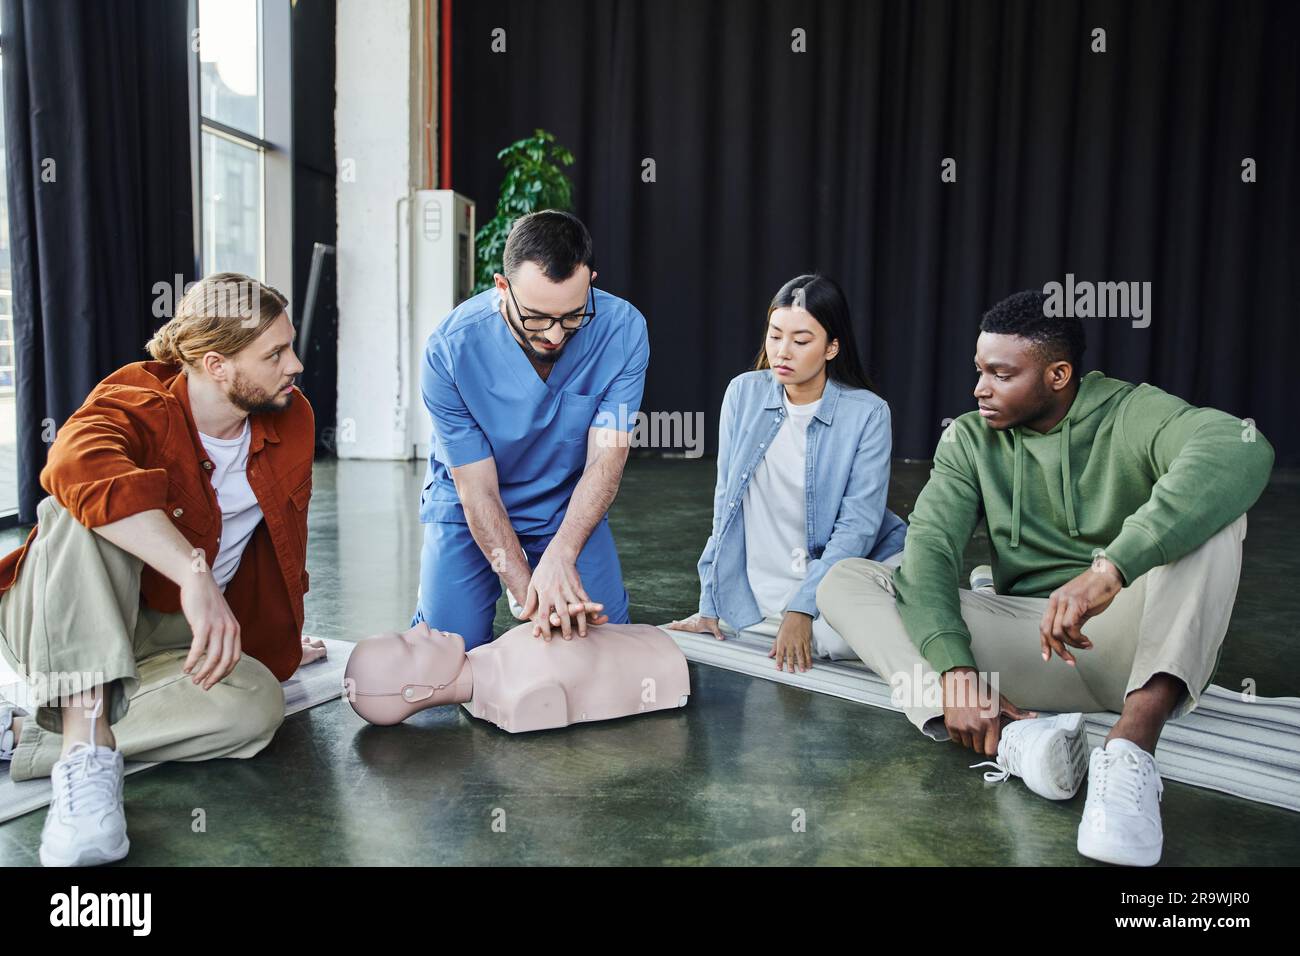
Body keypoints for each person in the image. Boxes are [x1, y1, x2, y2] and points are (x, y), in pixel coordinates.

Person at [817, 289, 1274, 866]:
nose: (979, 388)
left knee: (1217, 516)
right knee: (847, 581)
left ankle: (1130, 752)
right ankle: (1013, 736)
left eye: (1001, 374)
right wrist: (957, 672)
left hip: (1134, 645)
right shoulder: (968, 438)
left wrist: (1110, 569)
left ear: (1058, 375)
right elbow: (930, 550)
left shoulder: (1129, 412)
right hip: (1031, 648)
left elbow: (1239, 446)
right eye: (979, 370)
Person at [0, 272, 320, 866]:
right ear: (216, 364)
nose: (295, 365)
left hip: (176, 636)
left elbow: (279, 546)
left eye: (291, 346)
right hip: (65, 611)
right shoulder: (137, 399)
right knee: (80, 507)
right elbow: (71, 465)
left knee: (256, 707)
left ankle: (24, 732)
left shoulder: (291, 416)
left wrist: (279, 636)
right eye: (275, 353)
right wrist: (193, 572)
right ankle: (86, 759)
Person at [413, 210, 649, 648]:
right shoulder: (449, 351)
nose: (555, 336)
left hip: (563, 503)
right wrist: (531, 598)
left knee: (604, 643)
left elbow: (606, 460)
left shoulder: (623, 331)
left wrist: (563, 554)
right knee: (448, 649)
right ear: (502, 287)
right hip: (469, 505)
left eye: (573, 316)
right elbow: (476, 491)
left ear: (591, 283)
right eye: (537, 318)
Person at [668, 275, 906, 671]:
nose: (782, 351)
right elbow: (726, 505)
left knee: (839, 637)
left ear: (831, 347)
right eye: (775, 335)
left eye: (801, 341)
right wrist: (709, 604)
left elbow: (859, 526)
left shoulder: (868, 413)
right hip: (768, 579)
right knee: (770, 626)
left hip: (850, 568)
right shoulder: (743, 393)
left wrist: (803, 606)